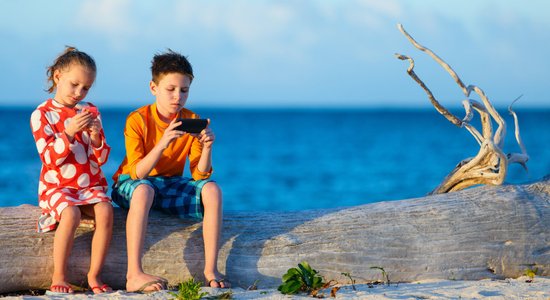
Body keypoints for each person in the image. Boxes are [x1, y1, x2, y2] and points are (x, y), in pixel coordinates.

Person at [111, 49, 228, 292]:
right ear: (153, 88)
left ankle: (210, 269)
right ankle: (133, 273)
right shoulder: (138, 119)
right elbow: (138, 173)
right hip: (131, 182)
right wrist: (163, 142)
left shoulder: (191, 118)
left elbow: (200, 175)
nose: (178, 96)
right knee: (144, 191)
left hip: (168, 184)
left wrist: (207, 147)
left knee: (213, 190)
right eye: (170, 89)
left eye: (184, 90)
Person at [30, 47, 113, 295]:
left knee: (106, 210)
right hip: (57, 186)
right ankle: (59, 275)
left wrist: (96, 136)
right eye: (74, 84)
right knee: (71, 214)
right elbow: (49, 158)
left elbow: (103, 158)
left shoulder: (89, 110)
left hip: (88, 185)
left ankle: (94, 274)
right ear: (57, 76)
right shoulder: (42, 114)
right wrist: (67, 133)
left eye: (85, 88)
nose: (79, 93)